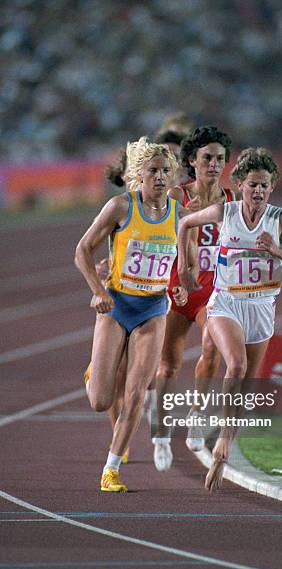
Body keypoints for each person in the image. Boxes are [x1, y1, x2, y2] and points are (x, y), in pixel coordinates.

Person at [178, 146, 282, 491]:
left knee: (245, 387)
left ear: (272, 188)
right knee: (236, 367)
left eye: (265, 185)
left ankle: (224, 438)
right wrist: (186, 267)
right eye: (252, 184)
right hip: (225, 303)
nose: (258, 190)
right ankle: (221, 445)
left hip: (262, 308)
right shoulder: (223, 212)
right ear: (240, 184)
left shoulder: (281, 219)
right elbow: (184, 223)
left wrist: (277, 251)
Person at [75, 137, 188, 492]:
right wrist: (97, 291)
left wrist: (180, 286)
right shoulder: (121, 207)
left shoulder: (179, 214)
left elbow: (183, 262)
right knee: (100, 401)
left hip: (153, 309)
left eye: (165, 171)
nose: (159, 176)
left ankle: (111, 470)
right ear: (139, 175)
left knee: (139, 391)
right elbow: (82, 250)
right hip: (117, 304)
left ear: (172, 176)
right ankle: (96, 372)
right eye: (152, 170)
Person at [152, 126, 239, 471]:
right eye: (207, 158)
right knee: (168, 365)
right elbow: (158, 235)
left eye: (220, 159)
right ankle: (160, 433)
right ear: (192, 160)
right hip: (176, 289)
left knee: (211, 348)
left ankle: (196, 414)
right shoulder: (176, 196)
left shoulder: (232, 201)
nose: (214, 165)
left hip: (212, 293)